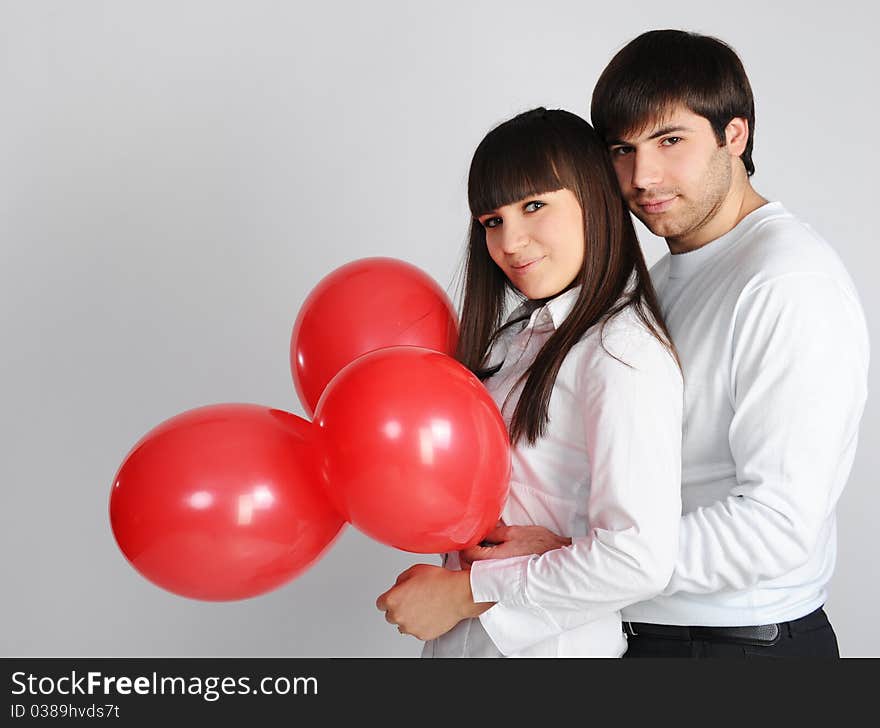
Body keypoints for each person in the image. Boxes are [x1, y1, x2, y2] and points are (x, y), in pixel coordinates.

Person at [461, 30, 870, 658]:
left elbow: (778, 525)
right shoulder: (670, 275)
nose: (641, 176)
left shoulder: (787, 282)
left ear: (735, 136)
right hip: (648, 630)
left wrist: (582, 553)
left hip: (741, 647)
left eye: (669, 141)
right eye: (621, 150)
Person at [374, 107, 684, 657]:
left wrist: (466, 593)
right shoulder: (514, 339)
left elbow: (638, 559)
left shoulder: (623, 352)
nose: (511, 242)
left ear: (593, 198)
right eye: (492, 221)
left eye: (534, 206)